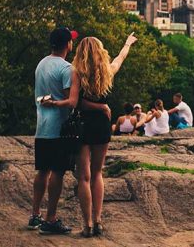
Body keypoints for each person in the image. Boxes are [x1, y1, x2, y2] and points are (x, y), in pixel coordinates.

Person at [45, 32, 137, 237]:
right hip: (102, 125)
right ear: (100, 52)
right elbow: (120, 58)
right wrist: (127, 43)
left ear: (80, 53)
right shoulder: (107, 72)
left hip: (83, 126)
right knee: (97, 174)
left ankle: (87, 225)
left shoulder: (76, 73)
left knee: (84, 178)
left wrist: (95, 106)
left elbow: (76, 103)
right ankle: (98, 221)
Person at [29, 27, 77, 235]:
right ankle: (51, 218)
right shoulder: (67, 68)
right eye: (71, 40)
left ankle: (35, 215)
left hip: (41, 126)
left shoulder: (41, 64)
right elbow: (69, 101)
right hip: (59, 129)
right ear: (68, 44)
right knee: (57, 172)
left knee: (43, 171)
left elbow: (41, 95)